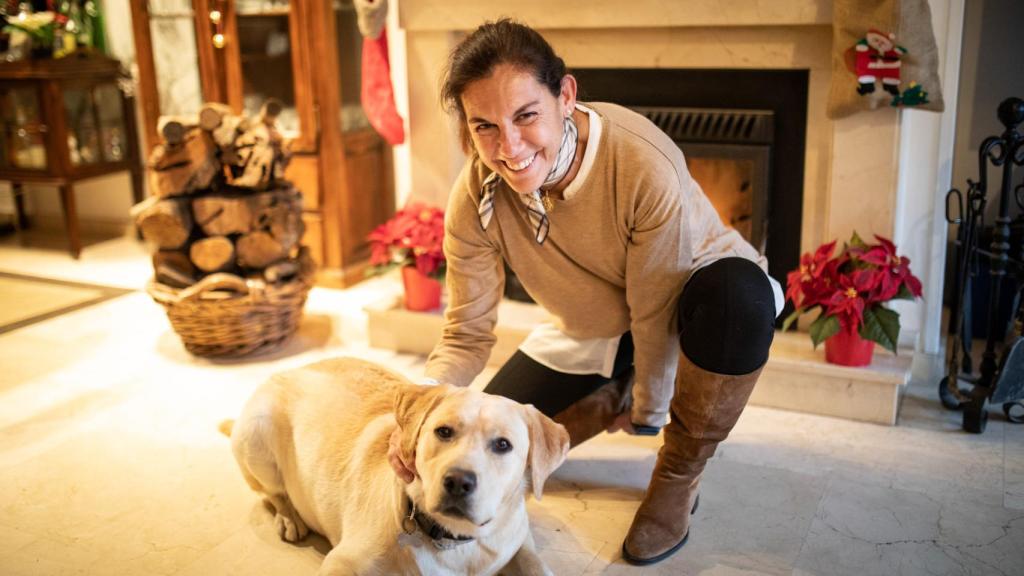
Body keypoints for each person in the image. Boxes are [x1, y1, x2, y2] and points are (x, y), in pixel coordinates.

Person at [388, 19, 782, 566]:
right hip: (594, 323)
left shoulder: (641, 160)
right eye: (485, 127)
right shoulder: (475, 198)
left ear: (565, 96)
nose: (510, 147)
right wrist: (418, 411)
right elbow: (466, 331)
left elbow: (654, 305)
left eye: (526, 116)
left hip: (690, 301)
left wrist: (651, 410)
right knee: (513, 439)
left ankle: (679, 476)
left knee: (741, 297)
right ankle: (612, 388)